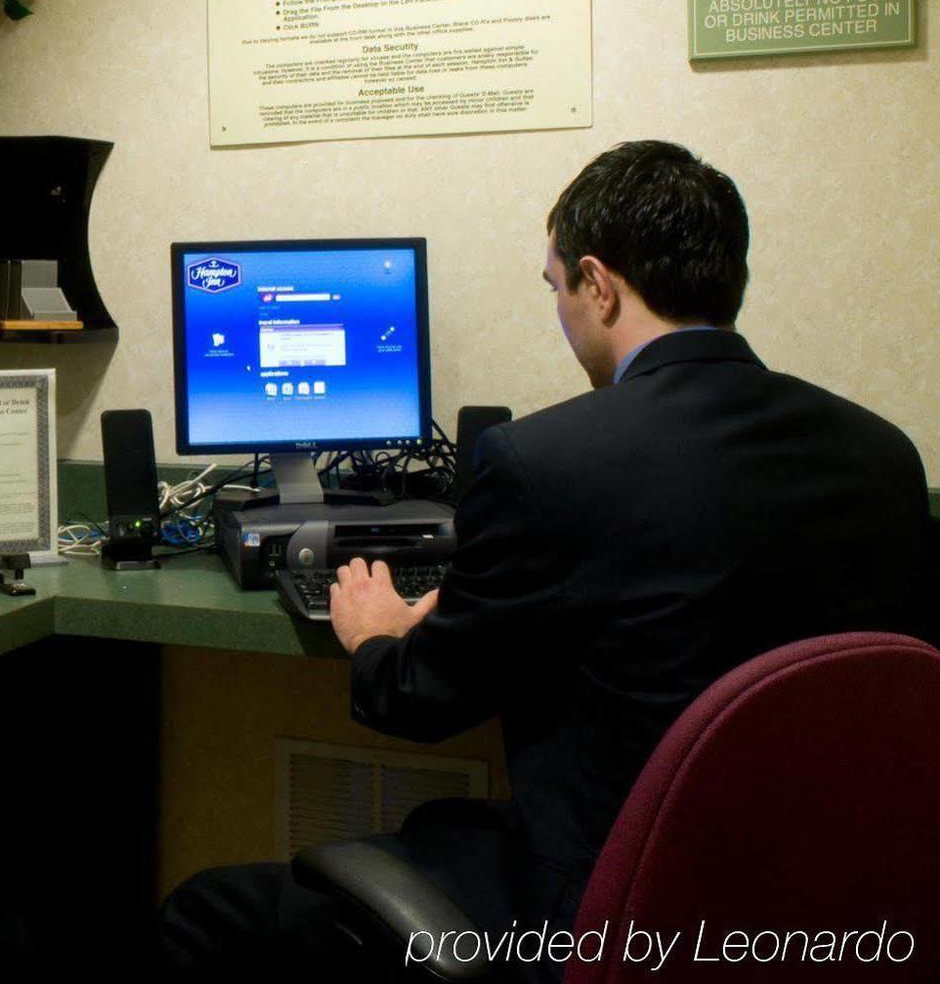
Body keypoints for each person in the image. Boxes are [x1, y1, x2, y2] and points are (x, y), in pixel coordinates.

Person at [158, 140, 936, 980]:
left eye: (557, 287)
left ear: (597, 285)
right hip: (825, 913)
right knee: (449, 826)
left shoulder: (547, 461)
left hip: (612, 915)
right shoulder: (885, 456)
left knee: (205, 912)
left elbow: (422, 702)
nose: (562, 311)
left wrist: (381, 638)